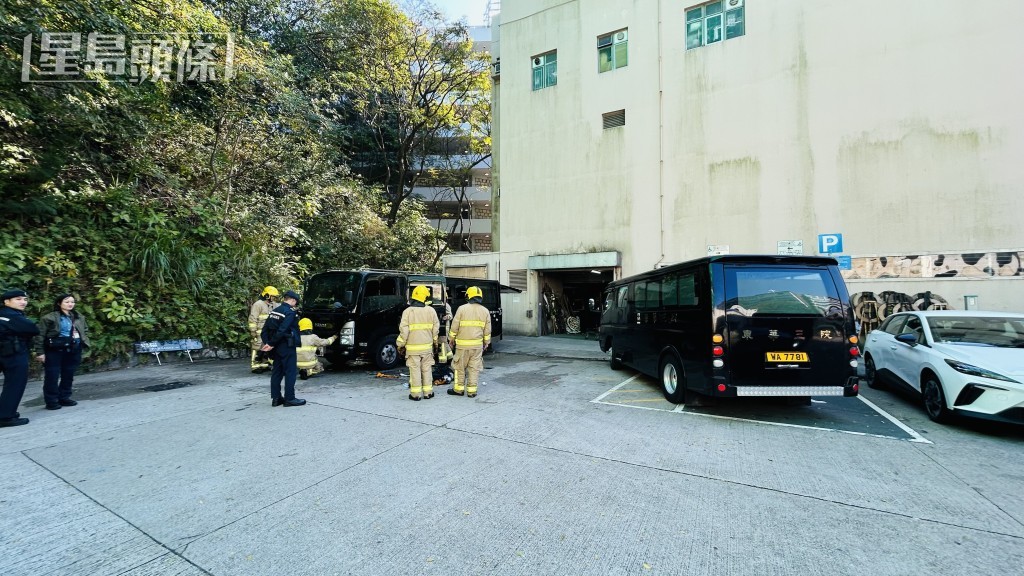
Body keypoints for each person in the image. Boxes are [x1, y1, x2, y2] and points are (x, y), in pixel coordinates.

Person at [34, 293, 90, 410]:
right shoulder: (49, 317)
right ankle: (51, 401)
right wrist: (40, 352)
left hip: (74, 348)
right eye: (67, 301)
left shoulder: (78, 316)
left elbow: (84, 329)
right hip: (55, 350)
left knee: (68, 374)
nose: (70, 304)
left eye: (72, 302)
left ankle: (64, 397)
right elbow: (40, 335)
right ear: (59, 303)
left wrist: (82, 341)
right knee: (52, 376)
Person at [0, 289, 39, 427]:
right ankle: (5, 417)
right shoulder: (10, 315)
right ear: (7, 301)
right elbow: (33, 329)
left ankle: (5, 411)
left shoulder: (8, 314)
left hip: (8, 353)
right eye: (18, 299)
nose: (23, 302)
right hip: (13, 354)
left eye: (24, 299)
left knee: (11, 384)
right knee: (15, 384)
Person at [260, 290, 305, 407]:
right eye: (295, 302)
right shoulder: (289, 312)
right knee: (290, 372)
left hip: (275, 347)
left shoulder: (274, 311)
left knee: (277, 372)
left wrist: (268, 344)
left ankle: (276, 399)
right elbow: (282, 330)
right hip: (286, 345)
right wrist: (271, 343)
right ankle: (289, 398)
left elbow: (265, 330)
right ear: (293, 300)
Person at [447, 286, 491, 398]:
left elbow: (454, 326)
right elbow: (487, 330)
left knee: (459, 367)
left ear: (468, 296)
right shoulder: (485, 311)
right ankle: (472, 391)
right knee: (474, 368)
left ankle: (458, 390)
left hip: (462, 346)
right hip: (477, 346)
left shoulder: (462, 309)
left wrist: (451, 339)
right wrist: (486, 343)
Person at [397, 285, 440, 401]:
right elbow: (435, 330)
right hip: (427, 348)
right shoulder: (431, 311)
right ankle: (428, 393)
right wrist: (435, 343)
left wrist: (400, 345)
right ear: (425, 297)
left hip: (412, 349)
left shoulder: (407, 312)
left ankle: (416, 395)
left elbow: (404, 331)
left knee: (415, 370)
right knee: (427, 369)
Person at [249, 286, 279, 373]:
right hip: (259, 331)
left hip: (269, 332)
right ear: (267, 295)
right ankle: (255, 365)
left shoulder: (274, 305)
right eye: (272, 296)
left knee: (267, 348)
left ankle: (264, 364)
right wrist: (253, 331)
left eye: (275, 296)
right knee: (257, 347)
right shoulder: (258, 304)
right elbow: (253, 319)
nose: (274, 298)